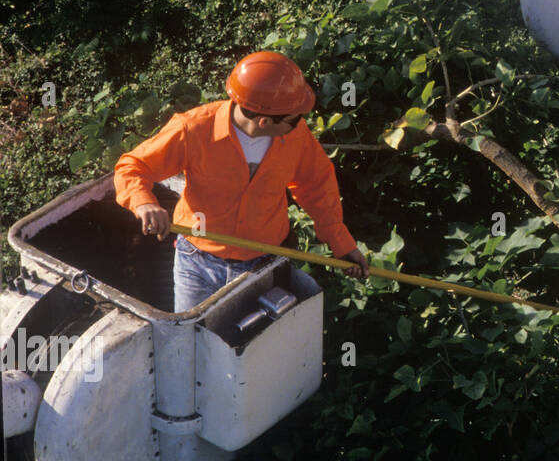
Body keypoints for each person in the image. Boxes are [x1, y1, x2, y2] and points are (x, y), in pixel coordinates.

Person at [114, 51, 369, 312]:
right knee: (191, 343)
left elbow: (317, 187)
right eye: (295, 119)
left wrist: (341, 244)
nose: (301, 123)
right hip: (198, 263)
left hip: (264, 262)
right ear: (264, 121)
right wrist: (143, 203)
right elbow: (132, 167)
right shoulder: (193, 129)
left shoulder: (296, 136)